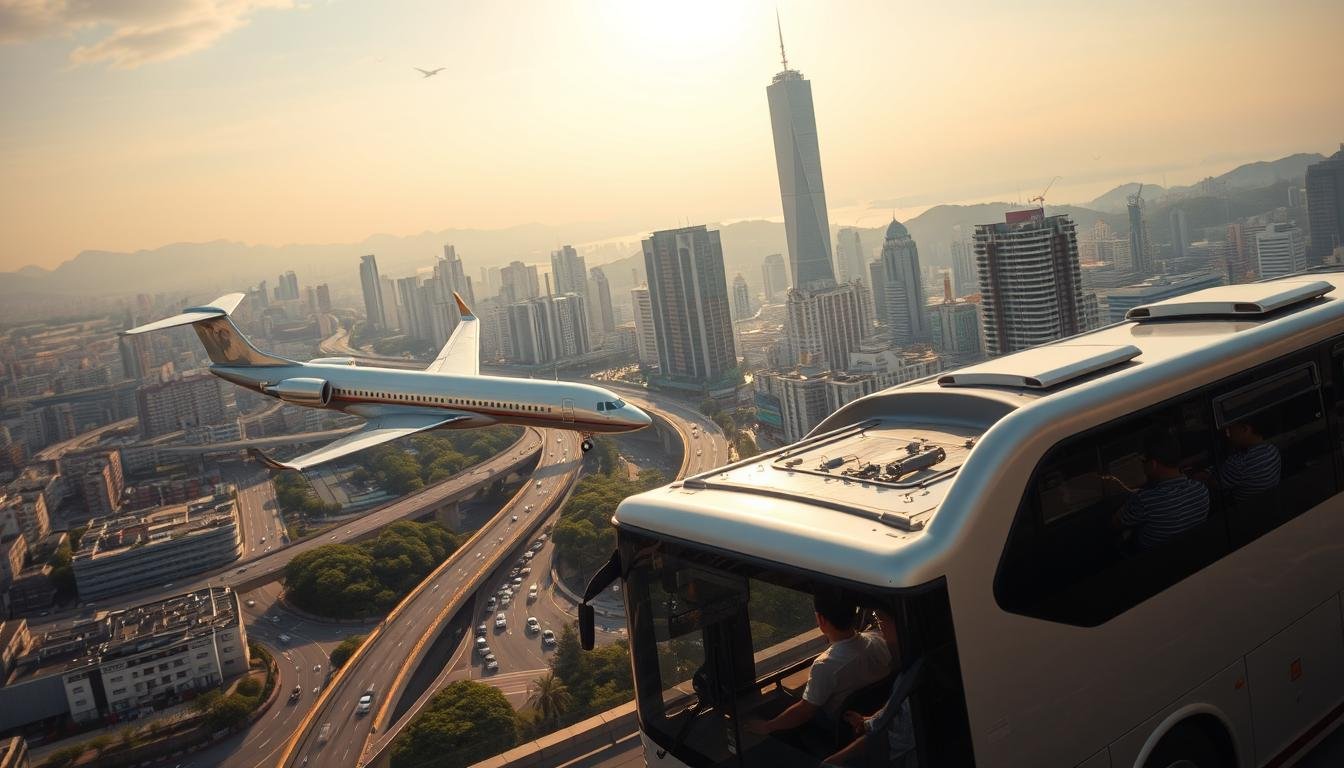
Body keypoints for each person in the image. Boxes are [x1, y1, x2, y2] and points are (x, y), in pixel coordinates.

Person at [744, 589, 890, 737]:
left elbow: (805, 712)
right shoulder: (879, 640)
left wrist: (767, 726)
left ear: (820, 620)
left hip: (836, 726)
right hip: (871, 711)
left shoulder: (825, 665)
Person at [824, 609, 920, 767]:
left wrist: (832, 761)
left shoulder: (913, 675)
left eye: (880, 621)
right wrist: (868, 721)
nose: (880, 628)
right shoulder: (914, 665)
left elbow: (893, 737)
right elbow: (896, 711)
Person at [1108, 433, 1209, 550]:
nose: (1142, 464)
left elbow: (1116, 523)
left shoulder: (1145, 501)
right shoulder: (1201, 490)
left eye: (1143, 460)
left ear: (1153, 464)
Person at [1217, 419, 1281, 501]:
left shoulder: (1239, 463)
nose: (1228, 435)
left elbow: (1216, 484)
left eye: (1230, 429)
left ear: (1245, 429)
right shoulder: (1273, 450)